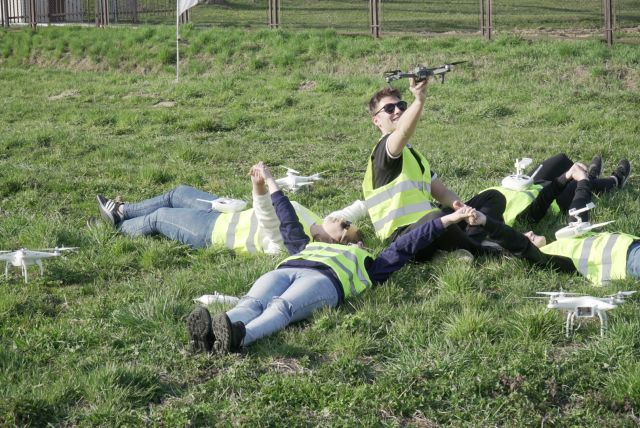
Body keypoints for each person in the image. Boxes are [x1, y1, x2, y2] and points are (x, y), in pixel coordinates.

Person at [186, 162, 478, 355]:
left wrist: (450, 218)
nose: (345, 228)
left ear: (359, 242)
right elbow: (287, 218)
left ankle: (240, 338)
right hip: (289, 268)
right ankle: (209, 336)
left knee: (281, 307)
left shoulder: (371, 263)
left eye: (349, 229)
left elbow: (409, 243)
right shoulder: (306, 245)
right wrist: (271, 181)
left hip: (325, 281)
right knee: (250, 303)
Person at [362, 82, 505, 261]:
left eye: (401, 106)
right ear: (376, 120)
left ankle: (467, 244)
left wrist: (462, 209)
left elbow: (442, 192)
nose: (397, 111)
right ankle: (485, 251)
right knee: (436, 218)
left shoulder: (413, 154)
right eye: (389, 109)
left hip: (430, 224)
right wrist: (419, 99)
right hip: (403, 237)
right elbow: (404, 132)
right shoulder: (384, 150)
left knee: (492, 197)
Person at [96, 170, 367, 253]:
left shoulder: (294, 241)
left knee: (158, 217)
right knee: (177, 193)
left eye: (344, 227)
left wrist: (262, 185)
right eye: (347, 222)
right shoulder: (320, 222)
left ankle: (118, 227)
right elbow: (355, 208)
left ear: (333, 241)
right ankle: (122, 210)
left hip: (212, 232)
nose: (343, 220)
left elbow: (266, 215)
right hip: (225, 212)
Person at [469, 163, 639, 286]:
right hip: (628, 260)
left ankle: (593, 176)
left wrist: (579, 180)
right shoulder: (546, 257)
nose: (528, 233)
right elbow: (516, 242)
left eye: (525, 234)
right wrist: (485, 222)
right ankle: (610, 180)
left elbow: (578, 212)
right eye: (525, 239)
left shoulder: (563, 240)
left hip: (632, 245)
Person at [487, 153, 631, 226]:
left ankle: (586, 174)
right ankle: (614, 180)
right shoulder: (511, 220)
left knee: (560, 159)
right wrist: (567, 177)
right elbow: (540, 203)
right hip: (552, 200)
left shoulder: (476, 203)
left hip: (527, 184)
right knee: (579, 184)